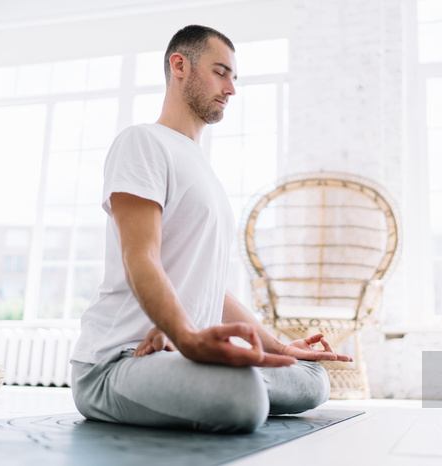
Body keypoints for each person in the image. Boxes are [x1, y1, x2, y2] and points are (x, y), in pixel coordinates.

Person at [70, 24, 351, 434]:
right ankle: (219, 380)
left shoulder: (202, 166)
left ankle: (215, 375)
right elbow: (140, 257)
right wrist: (183, 335)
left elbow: (207, 287)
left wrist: (277, 346)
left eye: (234, 77)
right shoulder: (142, 142)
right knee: (243, 397)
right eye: (221, 72)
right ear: (179, 65)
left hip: (178, 354)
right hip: (117, 362)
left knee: (310, 380)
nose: (231, 89)